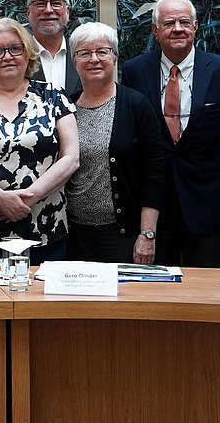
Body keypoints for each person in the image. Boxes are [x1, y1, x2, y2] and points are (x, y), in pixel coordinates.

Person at [122, 0, 220, 268]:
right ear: (155, 30)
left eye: (184, 22)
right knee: (155, 294)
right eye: (168, 23)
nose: (177, 28)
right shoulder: (134, 71)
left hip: (208, 206)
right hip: (154, 210)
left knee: (208, 295)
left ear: (196, 26)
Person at [0, 18, 80, 265]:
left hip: (45, 227)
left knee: (43, 302)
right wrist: (0, 197)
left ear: (28, 53)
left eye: (15, 48)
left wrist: (28, 198)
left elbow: (71, 158)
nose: (7, 56)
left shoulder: (54, 96)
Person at [64, 22, 164, 264]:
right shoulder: (65, 108)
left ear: (115, 57)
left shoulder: (136, 105)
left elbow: (156, 172)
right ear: (74, 60)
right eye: (84, 53)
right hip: (72, 236)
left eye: (102, 51)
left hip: (123, 236)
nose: (94, 59)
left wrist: (147, 235)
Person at [26, 0, 81, 96]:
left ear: (67, 11)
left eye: (56, 3)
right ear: (28, 12)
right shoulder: (18, 59)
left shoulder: (84, 55)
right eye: (40, 4)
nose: (48, 10)